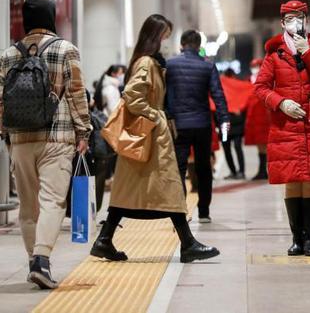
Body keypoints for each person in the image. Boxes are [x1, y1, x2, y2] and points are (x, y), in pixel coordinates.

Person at [90, 15, 219, 263]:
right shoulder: (147, 63)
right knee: (169, 187)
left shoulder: (149, 62)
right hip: (150, 136)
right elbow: (132, 95)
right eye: (164, 37)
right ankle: (188, 244)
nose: (166, 43)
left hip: (146, 138)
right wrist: (155, 115)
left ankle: (105, 240)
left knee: (132, 192)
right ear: (154, 36)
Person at [0, 0, 91, 289]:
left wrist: (7, 134)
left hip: (20, 140)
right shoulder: (65, 49)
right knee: (52, 201)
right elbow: (76, 94)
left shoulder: (9, 54)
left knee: (27, 205)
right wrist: (83, 132)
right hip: (56, 138)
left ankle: (36, 261)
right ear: (52, 18)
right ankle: (41, 260)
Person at [254, 0, 310, 256]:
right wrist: (282, 103)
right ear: (282, 23)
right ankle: (296, 239)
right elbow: (260, 87)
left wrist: (307, 51)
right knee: (291, 180)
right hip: (286, 127)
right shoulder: (274, 54)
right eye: (289, 18)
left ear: (307, 20)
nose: (294, 22)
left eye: (298, 17)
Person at [165, 30, 230, 223]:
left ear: (181, 44)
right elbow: (218, 96)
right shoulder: (208, 66)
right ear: (199, 46)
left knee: (178, 168)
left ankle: (180, 212)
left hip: (178, 125)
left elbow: (163, 94)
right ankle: (203, 211)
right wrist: (223, 119)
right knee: (204, 168)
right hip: (202, 124)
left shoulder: (170, 65)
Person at [219, 68, 254, 180]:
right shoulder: (240, 86)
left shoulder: (221, 85)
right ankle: (241, 172)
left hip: (225, 123)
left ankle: (233, 172)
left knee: (226, 148)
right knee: (238, 147)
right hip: (238, 122)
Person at [245, 58, 270, 180]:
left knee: (264, 144)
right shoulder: (249, 80)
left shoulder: (266, 79)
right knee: (259, 144)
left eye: (256, 66)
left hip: (264, 115)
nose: (254, 68)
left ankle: (263, 170)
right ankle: (262, 170)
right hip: (254, 115)